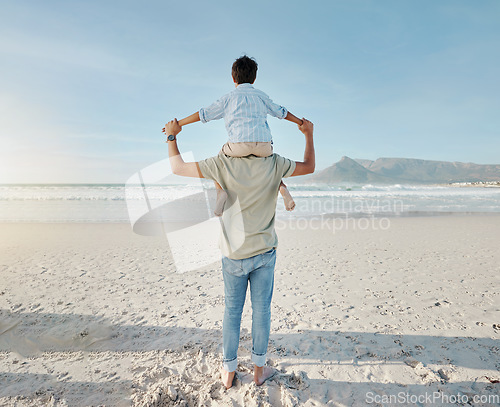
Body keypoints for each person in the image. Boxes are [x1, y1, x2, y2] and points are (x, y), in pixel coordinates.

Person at [162, 116, 315, 389]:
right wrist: (308, 134)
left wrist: (173, 136)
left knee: (232, 312)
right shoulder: (275, 162)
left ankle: (229, 371)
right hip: (265, 252)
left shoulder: (221, 163)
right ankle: (258, 371)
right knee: (261, 312)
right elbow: (309, 166)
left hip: (233, 253)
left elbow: (177, 166)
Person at [166, 55, 303, 216]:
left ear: (233, 78)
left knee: (219, 158)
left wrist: (179, 124)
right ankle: (282, 187)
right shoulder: (261, 96)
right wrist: (300, 122)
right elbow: (282, 112)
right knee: (271, 164)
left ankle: (220, 192)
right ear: (254, 78)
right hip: (264, 146)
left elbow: (204, 114)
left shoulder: (228, 98)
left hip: (238, 146)